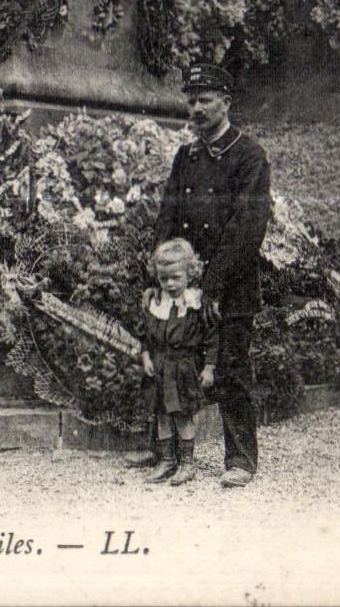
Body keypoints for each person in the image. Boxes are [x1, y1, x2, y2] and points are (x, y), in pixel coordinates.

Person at [127, 63, 271, 487]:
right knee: (168, 364)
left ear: (226, 102)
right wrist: (161, 271)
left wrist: (212, 285)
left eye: (205, 100)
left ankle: (241, 460)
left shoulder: (249, 155)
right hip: (181, 286)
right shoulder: (185, 156)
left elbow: (248, 227)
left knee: (230, 370)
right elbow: (167, 216)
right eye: (190, 100)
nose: (196, 108)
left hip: (231, 284)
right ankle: (165, 451)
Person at [139, 238, 219, 486]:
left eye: (176, 277)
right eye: (164, 279)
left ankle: (187, 463)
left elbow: (211, 338)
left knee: (183, 415)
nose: (170, 284)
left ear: (189, 274)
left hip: (184, 368)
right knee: (163, 414)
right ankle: (167, 460)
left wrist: (209, 367)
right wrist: (145, 357)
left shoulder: (195, 304)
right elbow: (145, 335)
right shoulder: (156, 303)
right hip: (162, 368)